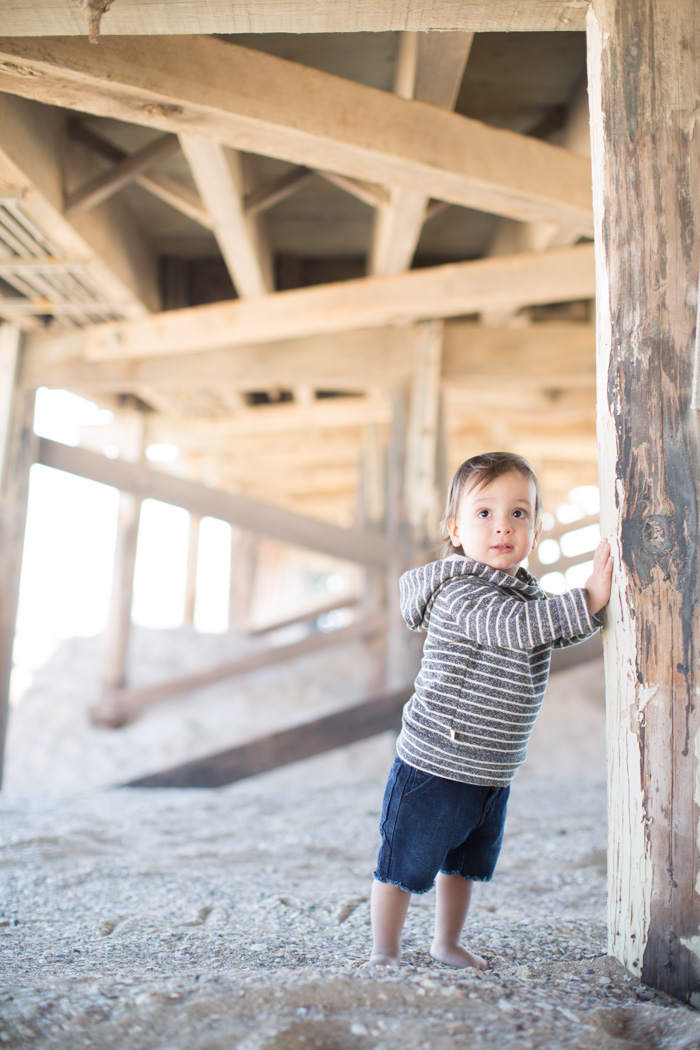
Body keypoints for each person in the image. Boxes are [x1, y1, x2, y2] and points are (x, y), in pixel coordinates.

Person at [366, 451, 613, 969]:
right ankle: (384, 950)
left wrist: (593, 610)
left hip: (491, 767)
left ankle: (446, 943)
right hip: (435, 762)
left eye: (518, 513)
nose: (502, 525)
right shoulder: (459, 592)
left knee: (464, 865)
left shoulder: (522, 594)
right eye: (484, 514)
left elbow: (550, 630)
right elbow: (516, 628)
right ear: (455, 529)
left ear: (537, 529)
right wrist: (587, 594)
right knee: (402, 865)